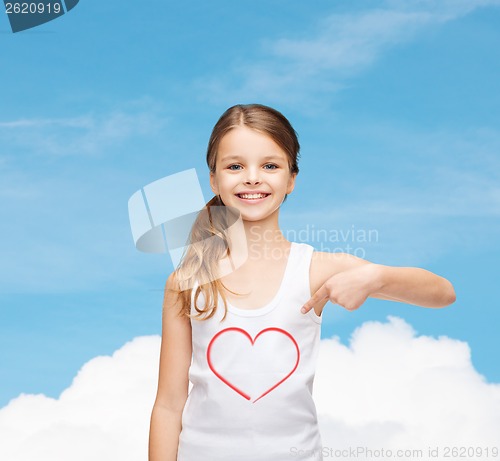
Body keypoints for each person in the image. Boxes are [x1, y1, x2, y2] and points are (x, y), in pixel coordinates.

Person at [148, 104, 457, 461]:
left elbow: (443, 293)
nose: (252, 178)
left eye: (270, 165)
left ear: (291, 179)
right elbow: (169, 405)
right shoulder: (188, 281)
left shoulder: (315, 269)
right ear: (214, 179)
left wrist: (376, 277)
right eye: (235, 166)